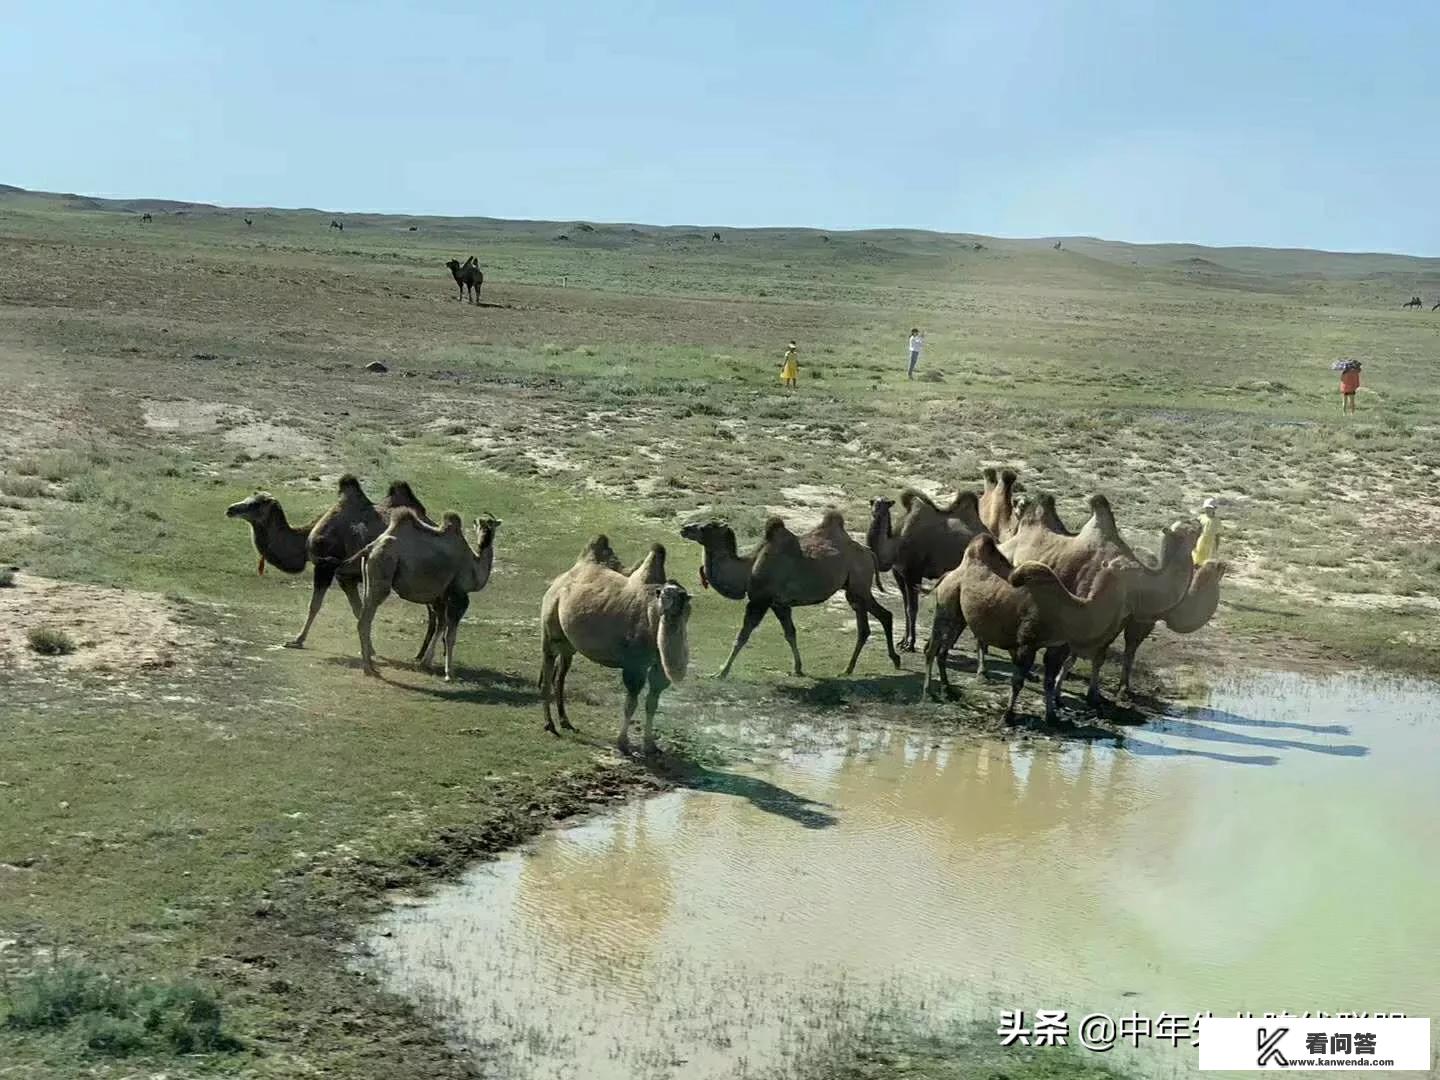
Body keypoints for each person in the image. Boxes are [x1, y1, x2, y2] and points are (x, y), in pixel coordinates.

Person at [1194, 497, 1220, 566]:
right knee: (1196, 558)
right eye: (1207, 508)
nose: (1208, 510)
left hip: (1210, 544)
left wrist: (1216, 546)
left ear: (1214, 509)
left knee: (1206, 561)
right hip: (1200, 541)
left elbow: (1217, 535)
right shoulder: (1200, 518)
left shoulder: (1217, 521)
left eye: (1210, 508)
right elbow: (1196, 531)